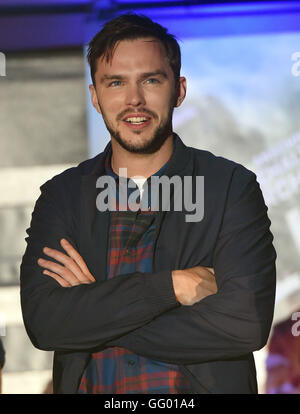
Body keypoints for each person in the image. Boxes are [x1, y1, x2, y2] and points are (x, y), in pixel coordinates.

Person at [20, 13, 277, 394]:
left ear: (179, 90)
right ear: (95, 96)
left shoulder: (229, 188)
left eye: (151, 80)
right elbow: (45, 323)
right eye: (116, 82)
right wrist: (169, 289)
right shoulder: (63, 197)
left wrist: (95, 309)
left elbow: (245, 323)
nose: (134, 100)